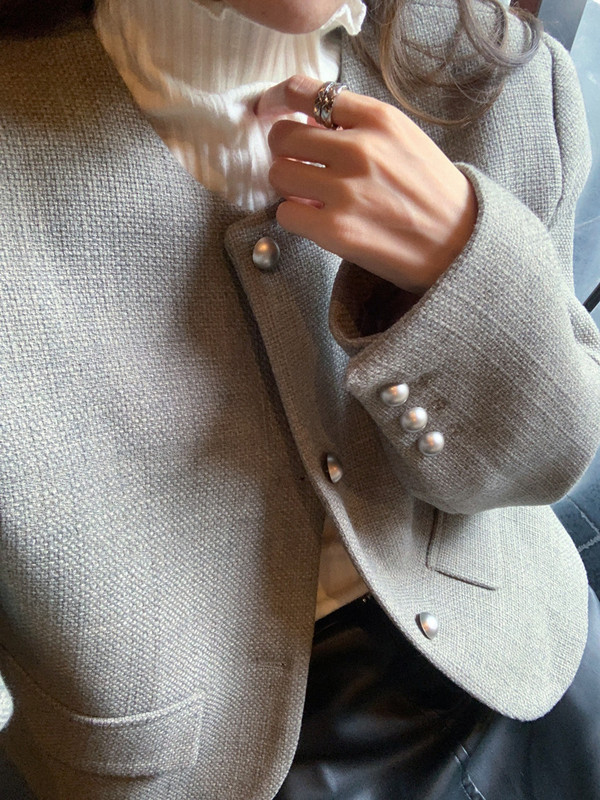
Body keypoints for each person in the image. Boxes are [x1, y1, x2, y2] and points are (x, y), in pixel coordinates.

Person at [0, 0, 599, 797]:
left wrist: (464, 261)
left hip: (520, 656)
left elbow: (549, 460)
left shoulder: (494, 64)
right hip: (182, 769)